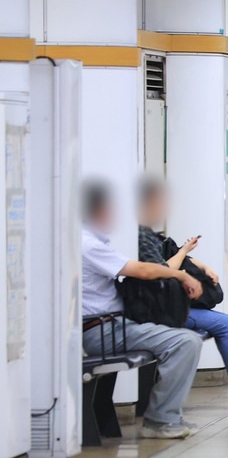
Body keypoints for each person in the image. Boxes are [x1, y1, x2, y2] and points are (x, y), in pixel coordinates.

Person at [137, 176, 228, 411]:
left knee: (225, 324)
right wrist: (185, 254)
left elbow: (174, 254)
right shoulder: (140, 237)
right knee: (227, 324)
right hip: (159, 310)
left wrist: (204, 266)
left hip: (166, 305)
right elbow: (163, 271)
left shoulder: (151, 235)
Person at [81, 180, 204, 440]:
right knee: (186, 341)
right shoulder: (87, 244)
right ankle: (160, 419)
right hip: (101, 331)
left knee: (186, 338)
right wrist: (182, 277)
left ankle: (166, 416)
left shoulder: (95, 241)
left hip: (113, 326)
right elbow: (144, 270)